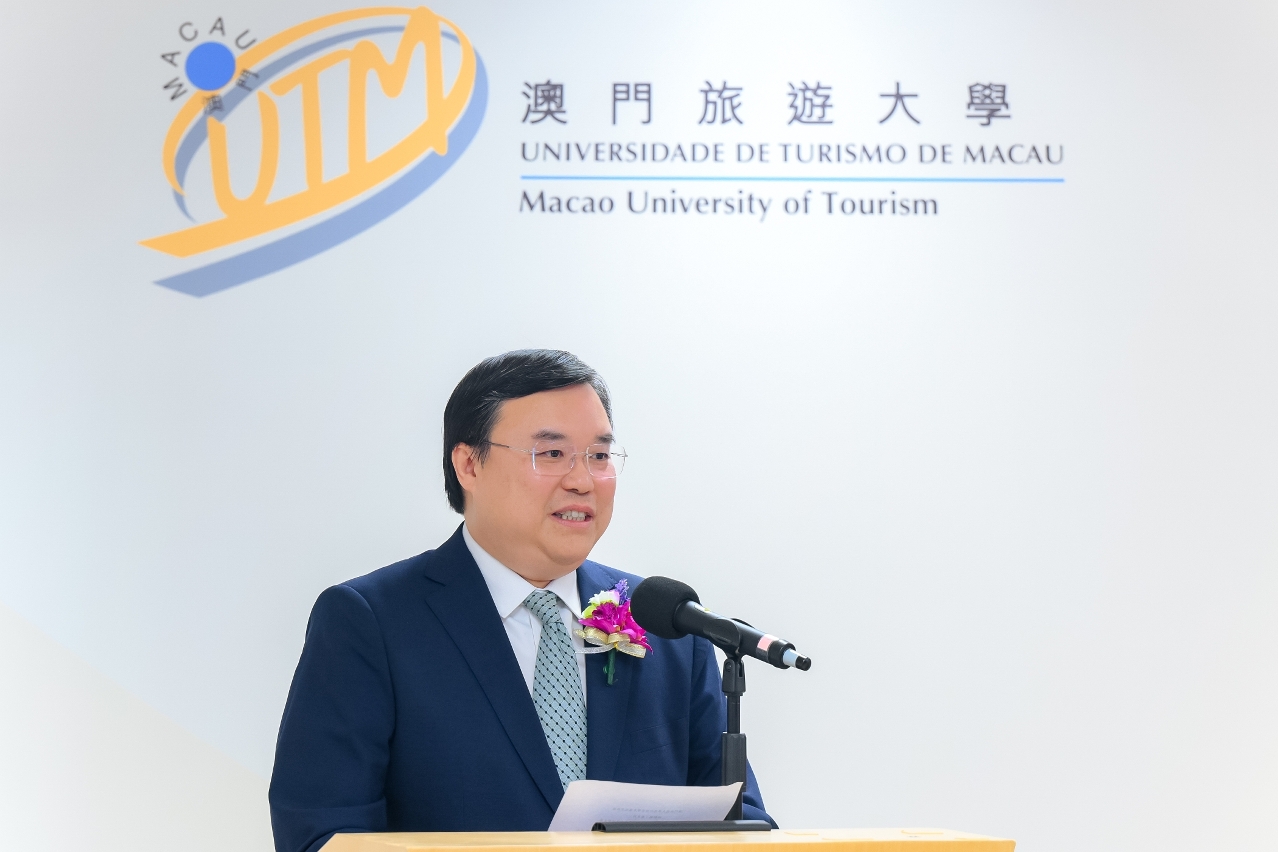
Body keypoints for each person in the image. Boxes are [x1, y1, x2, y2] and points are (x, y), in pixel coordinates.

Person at [268, 350, 772, 852]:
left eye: (599, 456)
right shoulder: (371, 623)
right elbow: (322, 835)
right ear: (468, 464)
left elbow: (742, 824)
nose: (582, 480)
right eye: (551, 454)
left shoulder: (668, 626)